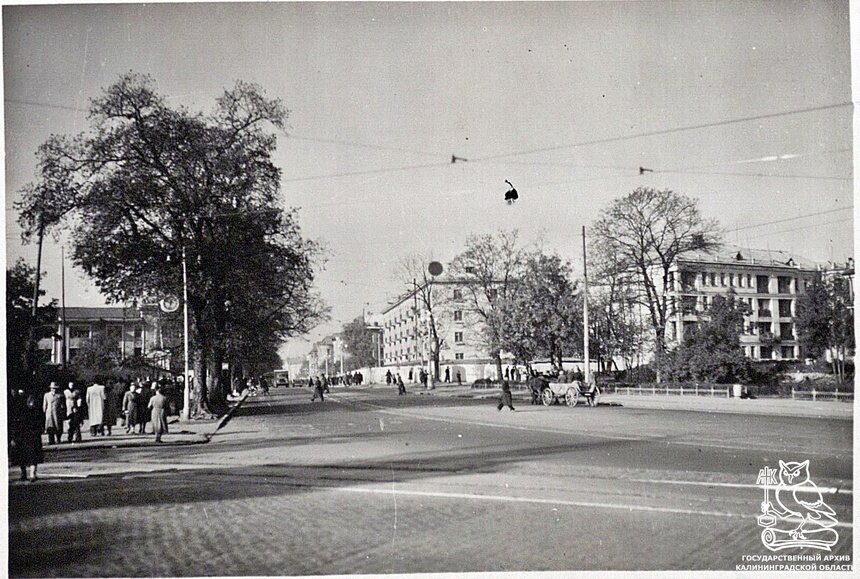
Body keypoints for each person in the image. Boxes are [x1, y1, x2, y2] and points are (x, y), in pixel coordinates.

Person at [11, 392, 45, 482]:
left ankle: (31, 474)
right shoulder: (23, 411)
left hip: (31, 436)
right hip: (25, 436)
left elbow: (40, 423)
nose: (32, 404)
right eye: (30, 402)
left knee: (32, 456)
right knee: (24, 456)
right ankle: (26, 474)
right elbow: (16, 424)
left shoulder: (34, 412)